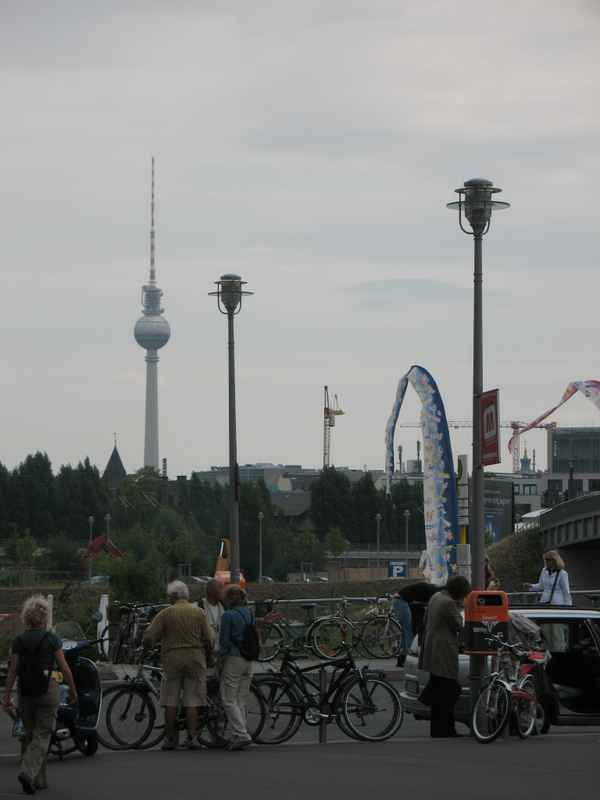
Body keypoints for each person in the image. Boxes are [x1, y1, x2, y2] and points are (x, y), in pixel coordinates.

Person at [2, 595, 78, 795]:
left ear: (26, 617)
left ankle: (39, 780)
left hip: (25, 692)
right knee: (43, 735)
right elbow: (65, 668)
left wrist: (6, 696)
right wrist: (73, 690)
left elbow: (13, 670)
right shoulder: (52, 638)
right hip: (48, 690)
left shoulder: (19, 640)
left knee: (30, 735)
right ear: (44, 617)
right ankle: (28, 772)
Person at [143, 580, 214, 751]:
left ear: (173, 596)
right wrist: (208, 654)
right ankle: (192, 738)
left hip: (172, 659)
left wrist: (148, 647)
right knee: (192, 701)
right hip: (195, 659)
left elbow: (149, 636)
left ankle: (170, 739)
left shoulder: (166, 613)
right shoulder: (199, 612)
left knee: (170, 700)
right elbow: (209, 638)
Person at [419, 575, 471, 738]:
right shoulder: (449, 603)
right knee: (449, 691)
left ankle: (438, 729)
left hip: (432, 647)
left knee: (439, 689)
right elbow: (458, 625)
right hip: (444, 650)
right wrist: (460, 607)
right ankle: (446, 729)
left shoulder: (436, 596)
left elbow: (425, 620)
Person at [219, 584, 255, 751]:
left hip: (234, 659)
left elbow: (224, 641)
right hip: (249, 660)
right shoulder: (249, 613)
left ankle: (242, 735)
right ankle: (238, 733)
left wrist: (219, 659)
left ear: (229, 599)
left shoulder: (228, 615)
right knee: (240, 700)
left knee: (228, 699)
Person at [202, 579, 225, 653]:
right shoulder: (199, 606)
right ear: (211, 591)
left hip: (221, 651)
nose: (223, 591)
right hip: (205, 651)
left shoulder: (225, 607)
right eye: (220, 588)